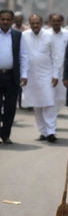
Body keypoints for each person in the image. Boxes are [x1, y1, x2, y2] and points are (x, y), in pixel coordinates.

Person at [22, 14, 59, 143]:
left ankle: (51, 132)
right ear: (30, 23)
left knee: (49, 104)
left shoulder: (49, 35)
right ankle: (43, 132)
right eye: (33, 23)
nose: (35, 25)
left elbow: (55, 57)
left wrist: (55, 75)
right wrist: (23, 75)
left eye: (37, 23)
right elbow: (23, 56)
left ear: (42, 23)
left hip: (47, 75)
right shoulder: (25, 35)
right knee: (36, 105)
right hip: (31, 75)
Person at [0, 9, 28, 144]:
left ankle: (5, 135)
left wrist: (24, 75)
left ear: (12, 21)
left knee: (10, 108)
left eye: (7, 19)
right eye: (2, 19)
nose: (5, 22)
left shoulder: (17, 35)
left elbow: (23, 55)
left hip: (12, 76)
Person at [49, 14, 68, 112]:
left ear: (62, 22)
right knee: (49, 93)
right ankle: (51, 115)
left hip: (63, 69)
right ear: (50, 22)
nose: (56, 23)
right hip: (49, 69)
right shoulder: (46, 34)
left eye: (58, 21)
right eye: (54, 21)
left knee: (61, 96)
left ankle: (55, 112)